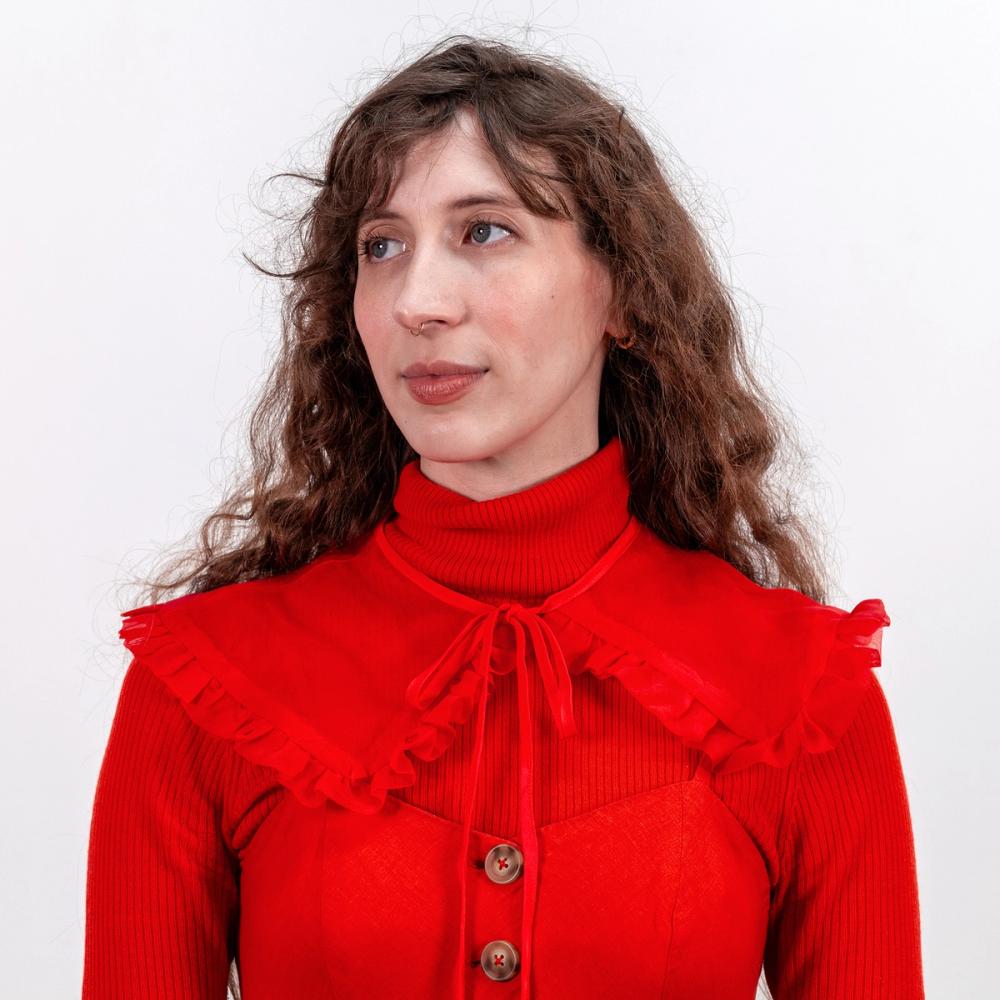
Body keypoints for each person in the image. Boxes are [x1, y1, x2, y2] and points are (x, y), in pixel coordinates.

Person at [81, 34, 925, 999]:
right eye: (381, 246)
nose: (418, 301)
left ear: (625, 293)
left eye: (484, 230)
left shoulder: (807, 699)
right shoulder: (200, 690)